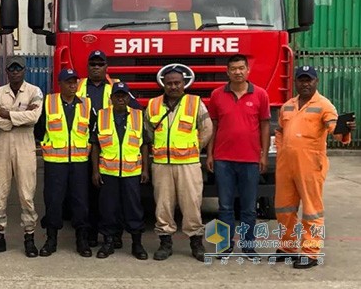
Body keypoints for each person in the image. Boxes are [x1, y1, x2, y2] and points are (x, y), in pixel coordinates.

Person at [274, 65, 355, 269]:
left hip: (310, 165)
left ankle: (311, 252)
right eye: (301, 79)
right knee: (284, 208)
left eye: (309, 79)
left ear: (316, 82)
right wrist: (282, 150)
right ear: (296, 83)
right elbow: (280, 131)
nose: (305, 83)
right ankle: (287, 247)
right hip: (286, 165)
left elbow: (334, 129)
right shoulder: (288, 106)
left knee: (312, 211)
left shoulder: (324, 105)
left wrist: (344, 130)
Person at [145, 64, 212, 262]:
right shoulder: (153, 104)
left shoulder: (195, 103)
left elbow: (207, 129)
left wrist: (194, 147)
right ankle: (165, 243)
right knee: (163, 205)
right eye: (169, 83)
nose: (173, 87)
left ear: (184, 84)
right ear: (163, 84)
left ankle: (196, 243)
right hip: (161, 164)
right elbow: (147, 132)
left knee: (191, 204)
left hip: (188, 164)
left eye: (177, 83)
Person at [206, 54, 270, 258]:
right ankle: (224, 246)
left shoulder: (260, 95)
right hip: (223, 159)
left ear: (247, 70)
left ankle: (248, 246)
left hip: (250, 160)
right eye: (233, 69)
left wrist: (264, 155)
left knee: (248, 208)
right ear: (227, 72)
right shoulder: (217, 95)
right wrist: (210, 154)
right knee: (224, 206)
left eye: (241, 68)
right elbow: (213, 126)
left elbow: (265, 126)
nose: (237, 72)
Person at [78, 49, 140, 248]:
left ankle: (115, 236)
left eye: (100, 64)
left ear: (106, 67)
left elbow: (136, 109)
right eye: (93, 64)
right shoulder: (78, 86)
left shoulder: (116, 86)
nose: (96, 67)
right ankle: (91, 233)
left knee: (110, 198)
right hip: (80, 148)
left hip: (107, 150)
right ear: (87, 67)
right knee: (87, 195)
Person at [0, 56, 43, 258]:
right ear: (7, 72)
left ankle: (29, 237)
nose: (15, 72)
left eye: (18, 68)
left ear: (24, 70)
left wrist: (7, 114)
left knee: (26, 194)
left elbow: (34, 118)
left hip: (25, 144)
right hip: (2, 144)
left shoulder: (34, 91)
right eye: (11, 69)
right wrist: (20, 117)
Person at [34, 68, 93, 258]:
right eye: (68, 82)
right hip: (55, 163)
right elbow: (39, 130)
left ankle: (81, 240)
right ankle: (51, 240)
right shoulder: (49, 102)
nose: (73, 85)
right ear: (60, 84)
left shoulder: (85, 104)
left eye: (75, 82)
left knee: (80, 202)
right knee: (53, 201)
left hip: (79, 162)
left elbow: (92, 131)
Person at [90, 82, 149, 260]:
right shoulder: (101, 116)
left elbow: (145, 144)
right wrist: (95, 171)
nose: (121, 98)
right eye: (117, 95)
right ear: (112, 98)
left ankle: (137, 244)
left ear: (128, 97)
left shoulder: (138, 116)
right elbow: (95, 145)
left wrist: (145, 169)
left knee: (134, 209)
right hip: (108, 172)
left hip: (132, 173)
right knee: (108, 209)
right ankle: (108, 242)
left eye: (124, 95)